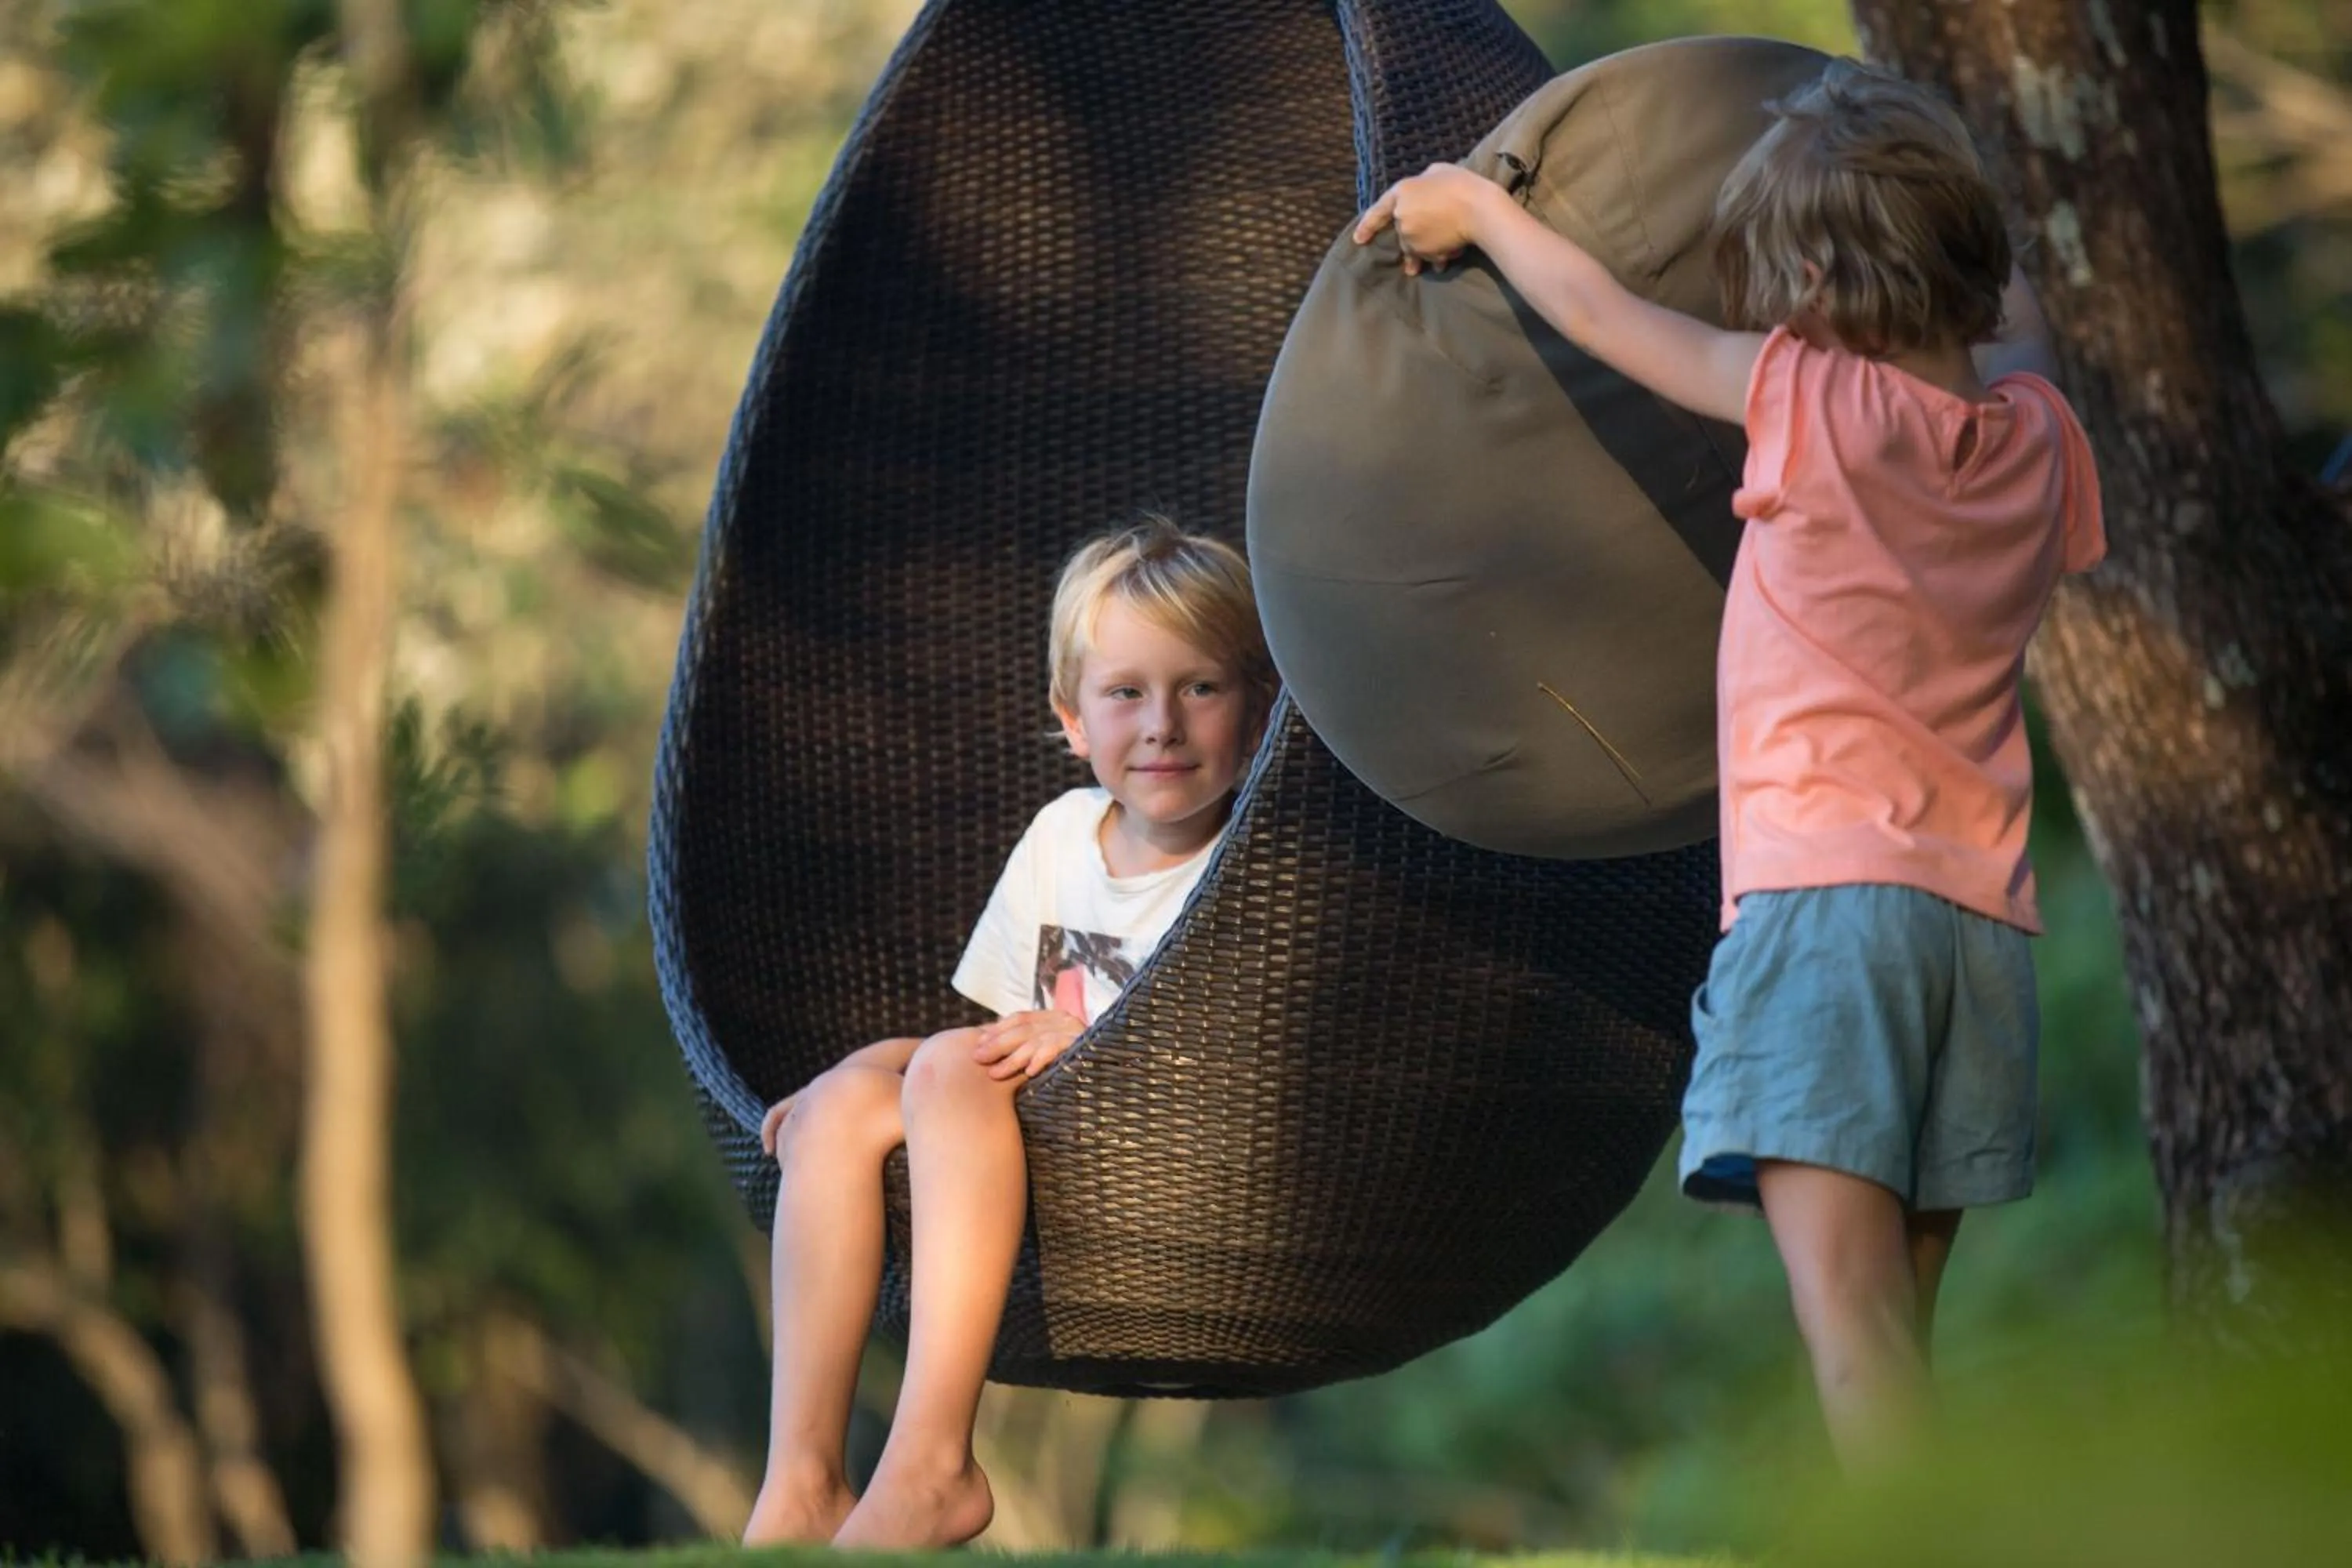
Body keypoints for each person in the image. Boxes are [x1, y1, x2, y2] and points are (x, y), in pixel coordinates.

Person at [1354, 57, 2105, 1468]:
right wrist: (1957, 218)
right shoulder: (2040, 443)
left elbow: (1602, 317)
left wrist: (1482, 212)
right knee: (1899, 1336)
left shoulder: (1812, 405)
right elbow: (2026, 336)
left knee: (1854, 1340)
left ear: (1814, 278)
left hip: (1827, 915)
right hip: (1978, 937)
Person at [741, 514, 1277, 1548]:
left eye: (1200, 688)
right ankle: (801, 1480)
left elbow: (1240, 1062)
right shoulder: (1059, 837)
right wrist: (866, 1067)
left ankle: (932, 1461)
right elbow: (999, 1041)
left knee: (937, 1067)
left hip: (1156, 1167)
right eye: (1125, 693)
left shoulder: (1252, 868)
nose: (1162, 724)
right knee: (841, 1107)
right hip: (1012, 1151)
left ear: (1257, 715)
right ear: (1072, 720)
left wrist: (1086, 1055)